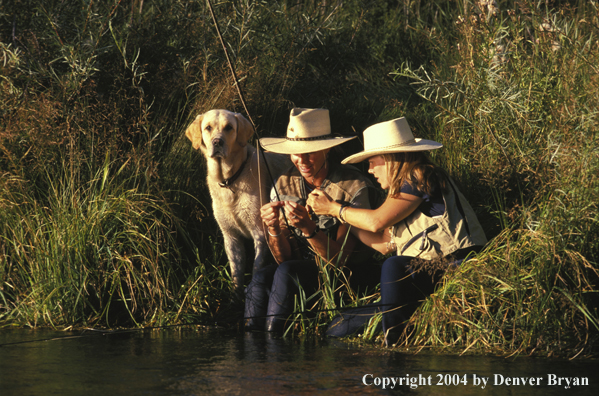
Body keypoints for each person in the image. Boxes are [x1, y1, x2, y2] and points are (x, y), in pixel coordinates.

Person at [307, 117, 487, 345]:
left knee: (394, 265)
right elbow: (384, 244)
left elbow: (377, 222)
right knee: (339, 325)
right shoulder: (401, 192)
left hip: (457, 267)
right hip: (426, 274)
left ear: (391, 158)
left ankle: (394, 348)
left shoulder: (420, 175)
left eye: (372, 161)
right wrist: (343, 221)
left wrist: (335, 209)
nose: (370, 170)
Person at [244, 108, 377, 333]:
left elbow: (341, 261)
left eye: (310, 152)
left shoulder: (355, 187)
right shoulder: (283, 183)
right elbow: (282, 259)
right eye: (296, 152)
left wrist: (308, 228)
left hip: (346, 276)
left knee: (287, 274)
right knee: (260, 280)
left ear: (327, 149)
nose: (302, 160)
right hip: (296, 269)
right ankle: (253, 349)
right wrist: (274, 229)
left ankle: (275, 348)